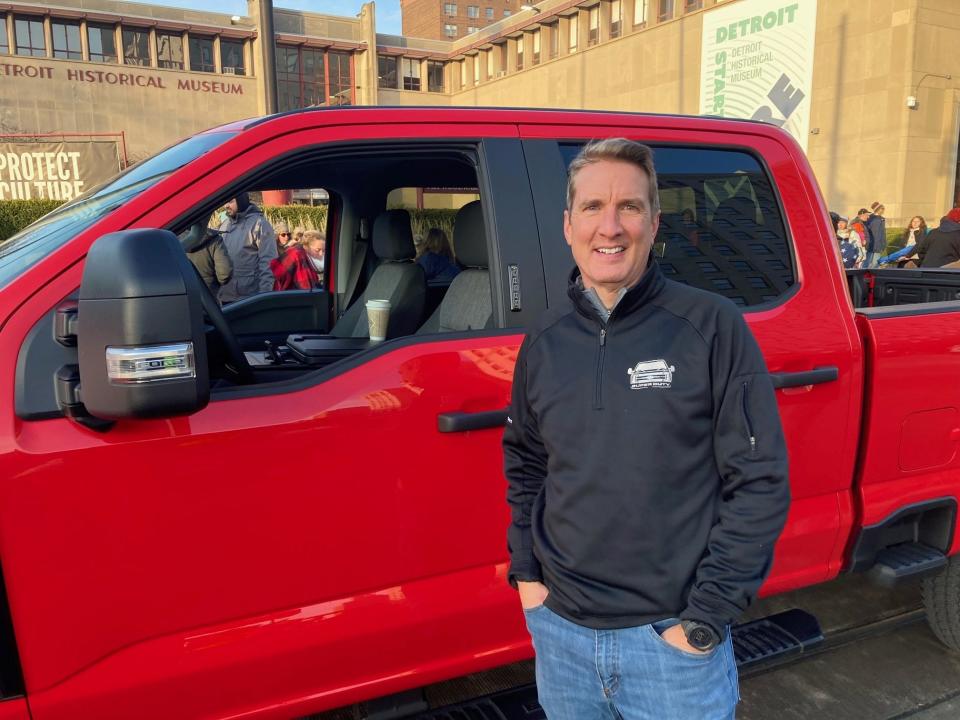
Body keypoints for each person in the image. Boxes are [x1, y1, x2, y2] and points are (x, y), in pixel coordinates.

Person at [503, 138, 790, 720]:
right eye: (592, 207)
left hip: (670, 647)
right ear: (567, 225)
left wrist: (704, 622)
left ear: (654, 223)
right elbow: (527, 460)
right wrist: (528, 575)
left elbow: (759, 481)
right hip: (561, 635)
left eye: (629, 207)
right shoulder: (545, 338)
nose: (610, 227)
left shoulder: (711, 327)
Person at [217, 193, 279, 303]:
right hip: (225, 297)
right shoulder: (225, 225)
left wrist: (264, 297)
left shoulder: (259, 224)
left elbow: (269, 263)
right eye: (225, 202)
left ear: (241, 201)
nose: (226, 205)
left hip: (248, 299)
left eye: (230, 201)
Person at [180, 219, 233, 297]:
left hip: (184, 298)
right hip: (209, 298)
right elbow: (225, 273)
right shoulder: (214, 240)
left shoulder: (171, 242)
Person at [863, 201, 887, 268]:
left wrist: (884, 243)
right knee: (866, 262)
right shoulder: (869, 218)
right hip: (870, 243)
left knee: (875, 264)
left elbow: (883, 232)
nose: (882, 210)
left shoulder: (882, 219)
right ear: (877, 209)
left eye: (883, 209)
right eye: (881, 209)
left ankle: (873, 277)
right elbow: (866, 230)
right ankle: (863, 277)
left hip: (878, 244)